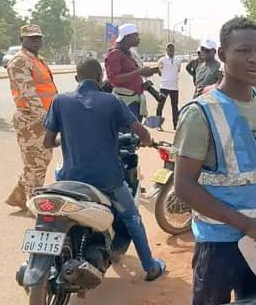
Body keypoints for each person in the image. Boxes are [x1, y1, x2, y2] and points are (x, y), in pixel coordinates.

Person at [173, 17, 256, 305]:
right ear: (223, 55)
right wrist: (246, 224)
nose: (254, 59)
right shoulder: (201, 113)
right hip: (219, 244)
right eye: (243, 51)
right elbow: (184, 186)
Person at [42, 58, 166, 281]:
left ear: (77, 78)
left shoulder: (60, 100)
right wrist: (147, 140)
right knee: (132, 217)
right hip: (107, 180)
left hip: (69, 178)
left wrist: (65, 139)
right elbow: (141, 131)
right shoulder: (111, 101)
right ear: (101, 79)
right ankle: (150, 266)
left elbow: (47, 142)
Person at [5, 25, 58, 210]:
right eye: (32, 38)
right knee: (35, 164)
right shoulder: (19, 61)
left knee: (39, 161)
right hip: (30, 120)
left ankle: (20, 197)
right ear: (23, 40)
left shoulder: (36, 60)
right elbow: (29, 95)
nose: (37, 41)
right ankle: (34, 206)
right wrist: (48, 120)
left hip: (41, 118)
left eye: (38, 38)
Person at [105, 23, 158, 121]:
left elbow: (134, 73)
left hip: (135, 101)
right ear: (127, 37)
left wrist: (149, 72)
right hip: (124, 102)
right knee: (127, 134)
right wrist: (138, 73)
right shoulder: (115, 54)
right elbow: (114, 79)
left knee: (135, 133)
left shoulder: (131, 53)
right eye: (136, 35)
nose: (138, 38)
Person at [155, 43, 183, 130]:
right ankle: (158, 125)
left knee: (174, 106)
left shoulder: (178, 61)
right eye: (169, 50)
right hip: (164, 86)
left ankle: (175, 124)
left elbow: (178, 71)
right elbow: (159, 73)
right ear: (166, 50)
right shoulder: (161, 60)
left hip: (174, 87)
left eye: (172, 50)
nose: (171, 52)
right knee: (160, 105)